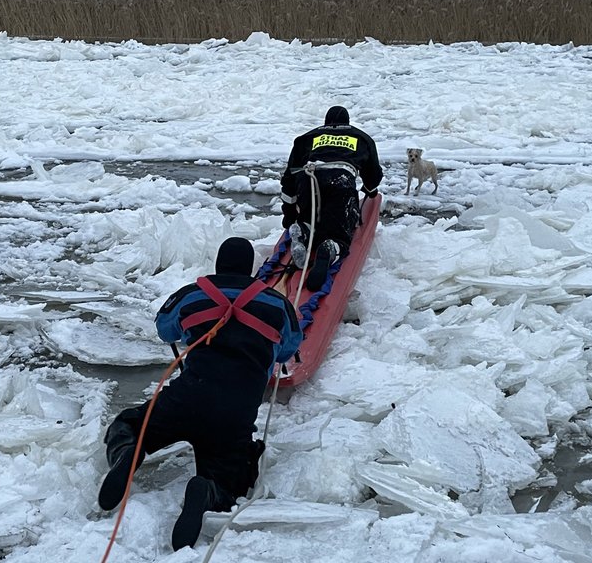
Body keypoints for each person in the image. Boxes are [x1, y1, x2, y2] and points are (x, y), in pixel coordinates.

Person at [97, 237, 302, 550]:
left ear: (219, 264)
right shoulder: (277, 305)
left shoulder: (193, 295)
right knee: (232, 483)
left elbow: (165, 329)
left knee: (129, 425)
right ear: (250, 269)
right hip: (234, 415)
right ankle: (207, 490)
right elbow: (288, 348)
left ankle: (130, 452)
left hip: (187, 398)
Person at [280, 106, 383, 291]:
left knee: (309, 216)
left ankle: (303, 229)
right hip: (340, 181)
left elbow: (289, 179)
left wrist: (289, 216)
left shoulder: (307, 137)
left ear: (326, 122)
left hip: (307, 179)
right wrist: (370, 190)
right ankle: (331, 247)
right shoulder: (362, 138)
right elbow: (374, 175)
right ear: (347, 122)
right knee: (340, 231)